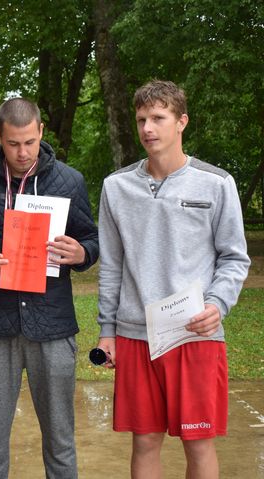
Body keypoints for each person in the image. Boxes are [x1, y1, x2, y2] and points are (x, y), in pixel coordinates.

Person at [95, 80, 250, 478]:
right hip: (135, 334)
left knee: (198, 443)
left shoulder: (216, 183)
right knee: (145, 441)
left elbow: (234, 257)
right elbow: (111, 265)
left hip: (194, 333)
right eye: (141, 119)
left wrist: (217, 304)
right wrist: (107, 331)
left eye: (158, 118)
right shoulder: (116, 187)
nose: (148, 128)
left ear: (181, 122)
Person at [0, 97, 99, 478]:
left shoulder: (69, 181)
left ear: (41, 132)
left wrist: (81, 252)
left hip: (52, 325)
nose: (22, 152)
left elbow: (92, 239)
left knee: (60, 440)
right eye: (13, 143)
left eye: (30, 142)